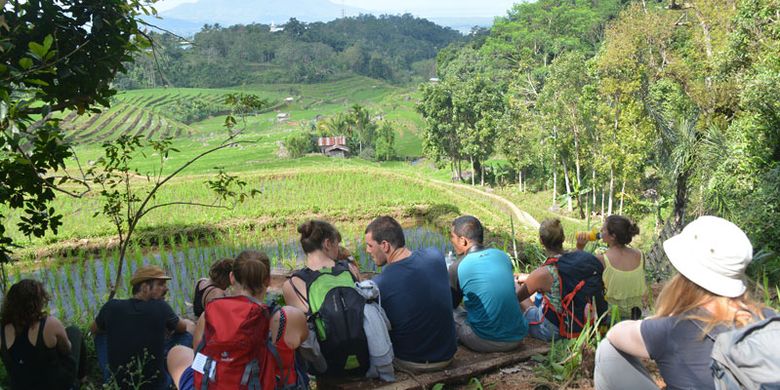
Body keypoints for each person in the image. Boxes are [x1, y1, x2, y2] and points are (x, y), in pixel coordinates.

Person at [594, 216, 772, 390]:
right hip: (636, 309)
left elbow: (615, 334)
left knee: (607, 350)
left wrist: (656, 321)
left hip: (623, 318)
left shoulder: (674, 330)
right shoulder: (769, 318)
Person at [168, 250, 307, 389]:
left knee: (176, 353)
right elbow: (304, 341)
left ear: (232, 277)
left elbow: (199, 355)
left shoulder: (208, 315)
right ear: (268, 280)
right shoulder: (288, 317)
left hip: (217, 384)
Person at [365, 216, 457, 372]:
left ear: (385, 246)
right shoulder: (435, 255)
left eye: (369, 245)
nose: (368, 251)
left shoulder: (381, 283)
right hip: (447, 355)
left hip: (413, 362)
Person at [283, 220, 368, 377]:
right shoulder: (350, 270)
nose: (338, 248)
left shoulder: (294, 284)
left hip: (325, 367)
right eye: (337, 243)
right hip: (364, 359)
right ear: (328, 243)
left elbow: (302, 336)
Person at [91, 265, 195, 390]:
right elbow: (182, 328)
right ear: (144, 287)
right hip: (158, 386)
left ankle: (110, 375)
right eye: (160, 284)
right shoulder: (161, 307)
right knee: (186, 334)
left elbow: (94, 329)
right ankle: (171, 363)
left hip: (117, 384)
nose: (166, 288)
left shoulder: (111, 307)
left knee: (100, 336)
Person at [517, 218, 608, 341]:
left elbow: (517, 298)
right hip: (581, 321)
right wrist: (580, 247)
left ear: (541, 241)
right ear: (563, 238)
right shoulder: (578, 260)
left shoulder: (544, 272)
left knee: (521, 296)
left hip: (553, 330)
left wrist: (517, 284)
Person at [448, 215, 527, 352]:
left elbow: (451, 305)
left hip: (487, 340)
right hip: (518, 336)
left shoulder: (458, 266)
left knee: (450, 313)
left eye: (452, 237)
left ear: (463, 241)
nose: (451, 241)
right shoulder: (501, 256)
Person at [0, 279, 86, 390]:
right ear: (36, 303)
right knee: (74, 331)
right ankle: (81, 379)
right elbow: (67, 350)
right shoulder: (50, 324)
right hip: (56, 385)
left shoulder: (2, 331)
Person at [577, 215, 647, 320]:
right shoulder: (640, 255)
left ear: (613, 236)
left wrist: (580, 247)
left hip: (611, 317)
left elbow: (576, 269)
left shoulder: (602, 260)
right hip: (635, 315)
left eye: (603, 228)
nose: (600, 230)